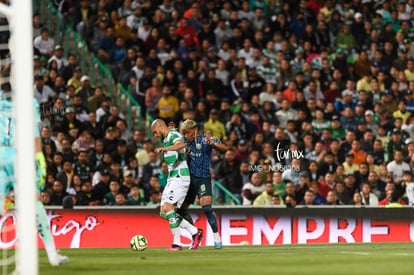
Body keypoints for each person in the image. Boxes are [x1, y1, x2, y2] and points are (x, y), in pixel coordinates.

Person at [0, 91, 68, 266]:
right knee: (34, 204)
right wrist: (39, 159)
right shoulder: (29, 102)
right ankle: (51, 255)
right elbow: (35, 136)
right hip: (18, 157)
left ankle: (52, 255)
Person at [151, 119, 203, 251]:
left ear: (161, 127)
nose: (155, 135)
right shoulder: (168, 136)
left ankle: (177, 243)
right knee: (164, 212)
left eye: (155, 132)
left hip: (180, 176)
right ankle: (195, 232)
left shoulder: (174, 135)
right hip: (172, 177)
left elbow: (181, 144)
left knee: (169, 208)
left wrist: (166, 148)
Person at [179, 119, 227, 249]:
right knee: (180, 211)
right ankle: (195, 234)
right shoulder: (183, 142)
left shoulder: (206, 140)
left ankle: (216, 236)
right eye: (183, 133)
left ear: (195, 131)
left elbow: (225, 148)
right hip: (188, 180)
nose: (185, 135)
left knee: (206, 208)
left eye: (187, 133)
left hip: (203, 178)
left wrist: (214, 144)